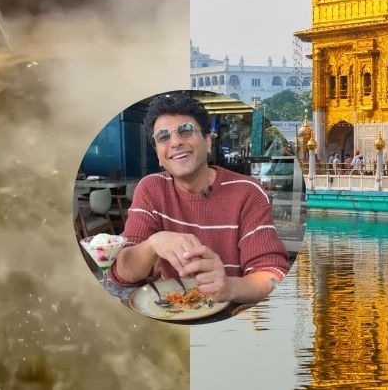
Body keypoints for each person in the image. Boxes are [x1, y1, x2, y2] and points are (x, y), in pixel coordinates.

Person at [112, 93, 291, 304]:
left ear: (207, 142)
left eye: (186, 131)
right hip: (172, 310)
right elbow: (123, 273)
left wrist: (229, 286)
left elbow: (274, 274)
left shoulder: (247, 192)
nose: (176, 142)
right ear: (159, 155)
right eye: (163, 137)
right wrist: (152, 244)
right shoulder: (151, 188)